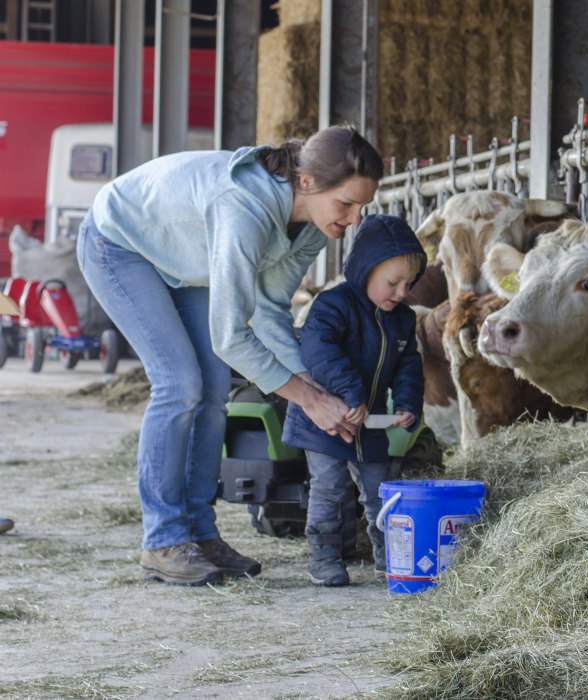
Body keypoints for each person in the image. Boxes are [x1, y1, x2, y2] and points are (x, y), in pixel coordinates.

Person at [77, 125, 383, 586]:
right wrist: (307, 399)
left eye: (364, 206)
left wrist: (313, 387)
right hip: (119, 242)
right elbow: (231, 336)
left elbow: (267, 309)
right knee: (181, 384)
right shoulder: (243, 207)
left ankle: (199, 532)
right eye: (346, 203)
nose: (355, 219)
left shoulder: (315, 227)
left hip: (183, 261)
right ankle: (162, 539)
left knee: (215, 389)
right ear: (306, 182)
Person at [281, 214, 425, 587]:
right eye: (393, 282)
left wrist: (408, 402)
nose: (402, 292)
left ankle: (388, 557)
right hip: (325, 418)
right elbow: (319, 352)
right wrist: (351, 392)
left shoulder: (403, 320)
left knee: (380, 489)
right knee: (329, 487)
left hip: (370, 421)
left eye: (409, 284)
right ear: (365, 269)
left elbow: (408, 363)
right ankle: (325, 558)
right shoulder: (333, 305)